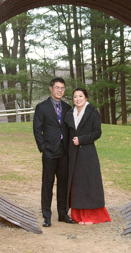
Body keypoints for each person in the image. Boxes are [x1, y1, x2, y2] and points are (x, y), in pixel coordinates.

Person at [64, 87, 110, 224]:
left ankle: (91, 216)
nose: (77, 99)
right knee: (77, 184)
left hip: (88, 153)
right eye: (75, 97)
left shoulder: (92, 112)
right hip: (73, 154)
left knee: (89, 183)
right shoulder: (69, 114)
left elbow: (97, 133)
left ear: (86, 98)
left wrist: (81, 139)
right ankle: (78, 216)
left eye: (80, 96)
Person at [32, 77, 73, 227]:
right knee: (47, 183)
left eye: (62, 88)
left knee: (63, 184)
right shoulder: (42, 107)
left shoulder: (68, 107)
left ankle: (63, 214)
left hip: (64, 152)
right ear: (51, 88)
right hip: (49, 151)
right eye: (57, 87)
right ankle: (47, 216)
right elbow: (37, 129)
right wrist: (43, 147)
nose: (60, 90)